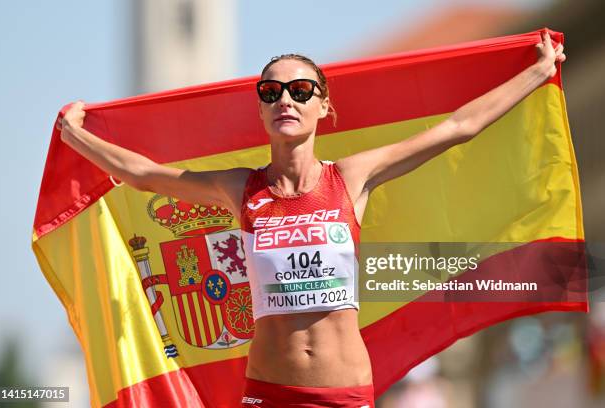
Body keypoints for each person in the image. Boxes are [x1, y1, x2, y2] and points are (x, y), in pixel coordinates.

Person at [58, 31, 565, 408]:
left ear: (324, 107)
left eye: (301, 91)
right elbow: (145, 174)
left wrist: (538, 72)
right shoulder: (240, 187)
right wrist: (75, 137)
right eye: (271, 92)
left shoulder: (351, 177)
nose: (285, 100)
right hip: (268, 390)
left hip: (340, 391)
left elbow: (458, 127)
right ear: (260, 111)